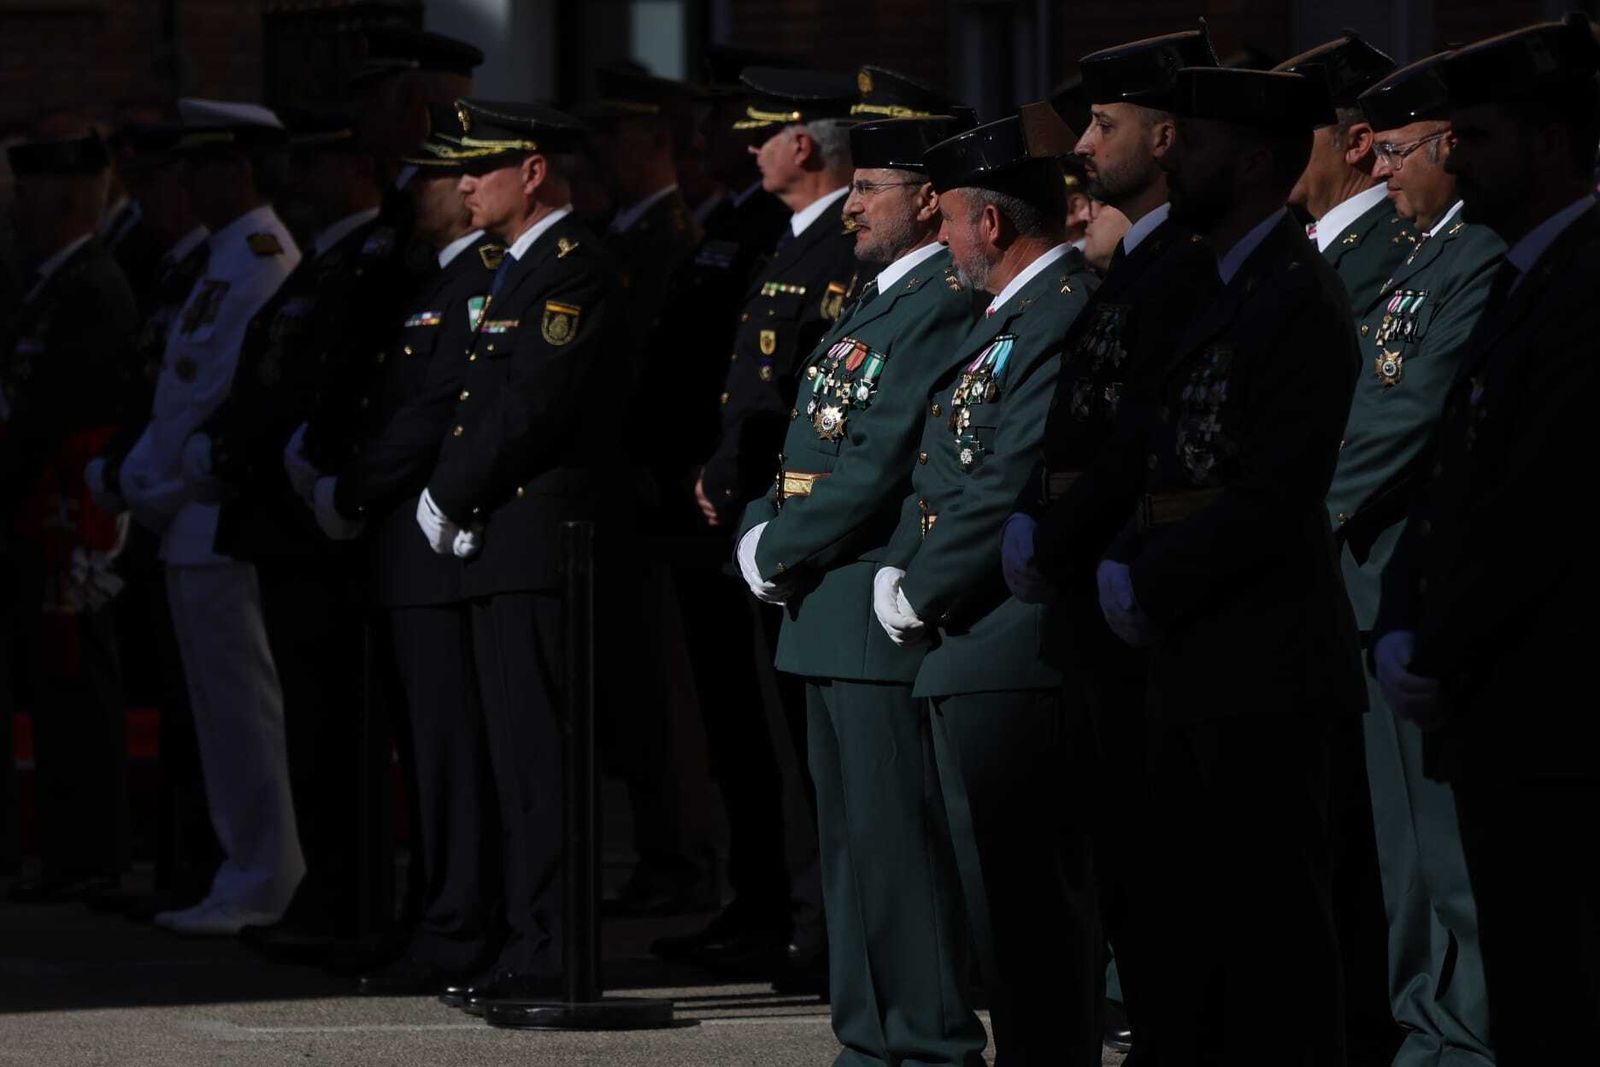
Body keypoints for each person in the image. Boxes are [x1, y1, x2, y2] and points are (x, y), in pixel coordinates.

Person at [1044, 66, 1366, 1061]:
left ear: (1258, 161)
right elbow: (1147, 445)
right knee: (1186, 930)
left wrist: (1153, 574)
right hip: (1187, 651)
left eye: (1203, 142)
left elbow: (1273, 488)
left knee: (1272, 941)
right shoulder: (1202, 281)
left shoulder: (1294, 290)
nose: (1177, 155)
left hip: (1261, 652)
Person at [735, 104, 983, 1062]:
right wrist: (763, 523)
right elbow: (812, 438)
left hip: (870, 599)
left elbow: (878, 458)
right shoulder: (877, 296)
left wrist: (778, 544)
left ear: (929, 203)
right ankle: (870, 1038)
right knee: (851, 852)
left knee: (899, 852)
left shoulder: (939, 304)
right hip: (823, 604)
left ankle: (923, 1041)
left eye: (871, 190)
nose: (852, 208)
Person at [1374, 14, 1600, 1059]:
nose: (1449, 154)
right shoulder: (1521, 276)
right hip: (1500, 697)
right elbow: (1451, 473)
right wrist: (1403, 613)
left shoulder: (1580, 282)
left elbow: (1542, 499)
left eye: (1475, 135)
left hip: (1555, 701)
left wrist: (1442, 636)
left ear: (1548, 142)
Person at [875, 102, 1100, 1064]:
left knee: (1031, 910)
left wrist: (918, 586)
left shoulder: (1059, 312)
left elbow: (1011, 474)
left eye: (953, 218)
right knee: (998, 907)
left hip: (1015, 644)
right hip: (977, 647)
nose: (947, 237)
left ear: (991, 224)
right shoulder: (1010, 317)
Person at [1013, 27, 1221, 1060]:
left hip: (1147, 609)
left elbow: (1147, 439)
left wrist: (1059, 534)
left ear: (1168, 136)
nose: (1085, 146)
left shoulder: (1184, 267)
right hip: (1091, 604)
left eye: (1106, 124)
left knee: (1171, 882)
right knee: (1126, 877)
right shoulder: (1128, 266)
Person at [411, 97, 622, 1011]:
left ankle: (554, 948)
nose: (462, 182)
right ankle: (527, 937)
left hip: (539, 538)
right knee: (515, 757)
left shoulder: (571, 264)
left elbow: (531, 402)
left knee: (543, 761)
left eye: (480, 165)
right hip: (503, 537)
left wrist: (448, 492)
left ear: (532, 171)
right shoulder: (516, 267)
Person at [654, 65, 863, 985]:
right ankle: (782, 908)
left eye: (764, 132)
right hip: (749, 513)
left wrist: (745, 477)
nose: (749, 148)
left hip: (795, 517)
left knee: (804, 745)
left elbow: (813, 394)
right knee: (764, 735)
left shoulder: (839, 248)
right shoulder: (785, 240)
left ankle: (818, 925)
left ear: (805, 145)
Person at [193, 107, 410, 962]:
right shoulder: (325, 256)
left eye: (324, 162)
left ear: (358, 169)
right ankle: (325, 892)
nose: (306, 182)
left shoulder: (369, 256)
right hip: (284, 519)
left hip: (320, 525)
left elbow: (337, 377)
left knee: (334, 725)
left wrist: (305, 455)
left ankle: (347, 897)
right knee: (308, 729)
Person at [1330, 54, 1507, 1067]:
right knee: (1403, 844)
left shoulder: (1472, 253)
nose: (1382, 170)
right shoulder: (1418, 253)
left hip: (1418, 571)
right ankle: (1426, 1019)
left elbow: (1403, 413)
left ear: (1449, 146)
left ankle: (1469, 1026)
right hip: (1376, 577)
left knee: (1445, 841)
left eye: (1396, 152)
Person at [308, 104, 502, 996]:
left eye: (435, 177)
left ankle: (459, 921)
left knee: (449, 750)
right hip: (400, 548)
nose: (419, 192)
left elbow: (434, 411)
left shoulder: (476, 285)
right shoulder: (432, 280)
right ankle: (438, 911)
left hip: (432, 547)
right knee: (424, 751)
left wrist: (354, 484)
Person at [117, 99, 306, 937]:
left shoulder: (260, 257)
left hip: (214, 515)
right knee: (219, 714)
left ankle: (265, 874)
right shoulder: (219, 257)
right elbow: (177, 390)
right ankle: (245, 869)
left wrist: (147, 486)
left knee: (244, 713)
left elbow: (214, 397)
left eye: (202, 167)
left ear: (241, 170)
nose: (185, 183)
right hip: (186, 518)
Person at [1, 130, 139, 903]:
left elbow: (55, 412)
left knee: (80, 686)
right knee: (57, 688)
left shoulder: (90, 287)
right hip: (41, 513)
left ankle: (91, 850)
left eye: (24, 193)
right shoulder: (47, 283)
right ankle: (67, 849)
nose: (14, 206)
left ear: (58, 201)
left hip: (71, 515)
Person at [1277, 34, 1413, 310]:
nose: (1276, 148)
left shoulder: (1390, 251)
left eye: (1295, 131)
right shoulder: (1301, 242)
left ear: (1358, 143)